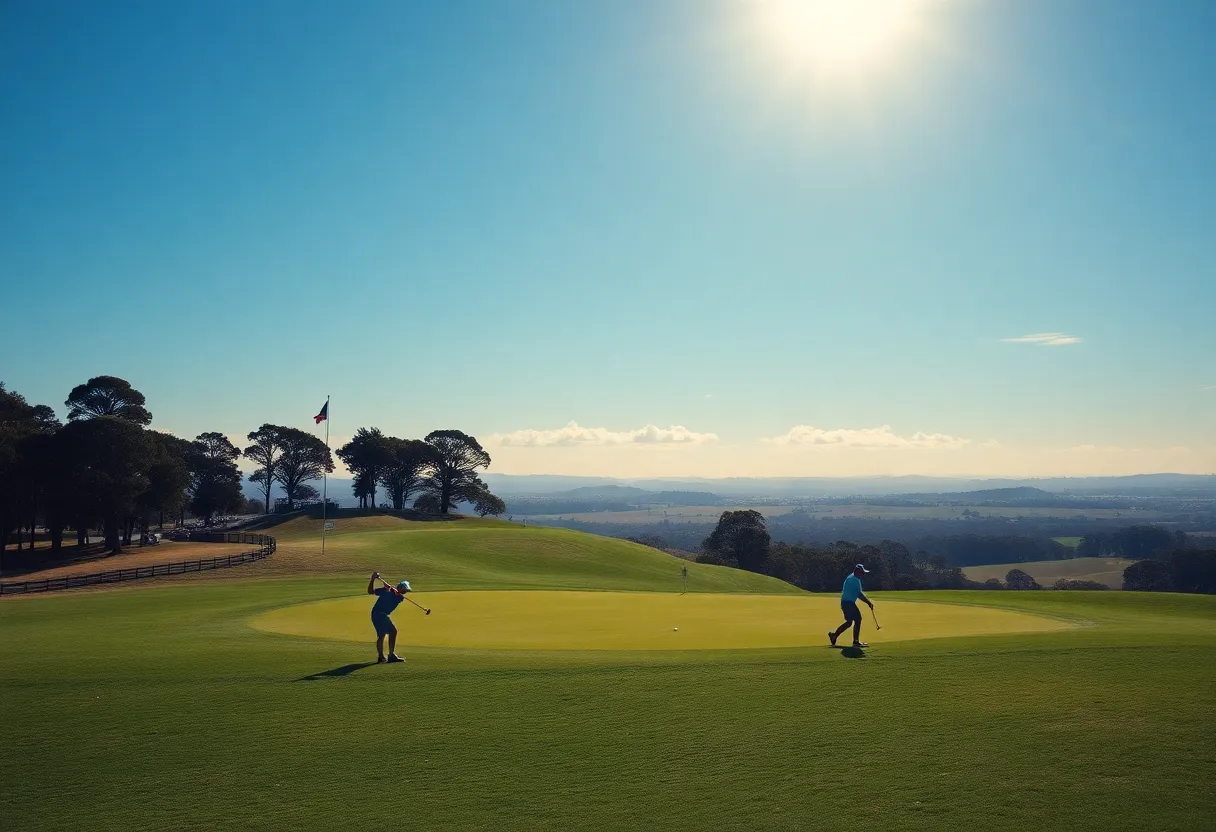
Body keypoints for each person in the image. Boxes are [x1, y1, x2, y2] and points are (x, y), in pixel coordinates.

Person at [367, 572, 410, 663]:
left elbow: (395, 595)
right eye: (404, 590)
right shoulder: (387, 590)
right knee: (383, 634)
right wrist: (373, 579)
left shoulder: (400, 598)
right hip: (377, 614)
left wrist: (389, 589)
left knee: (390, 632)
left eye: (405, 591)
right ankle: (384, 656)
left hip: (383, 615)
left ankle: (388, 656)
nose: (404, 592)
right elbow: (370, 591)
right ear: (399, 588)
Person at [829, 564, 875, 648]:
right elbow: (859, 594)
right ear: (857, 571)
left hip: (844, 603)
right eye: (862, 573)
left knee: (849, 622)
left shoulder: (851, 577)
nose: (862, 574)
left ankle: (834, 635)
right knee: (858, 619)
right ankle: (856, 642)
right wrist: (868, 602)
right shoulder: (855, 580)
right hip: (849, 603)